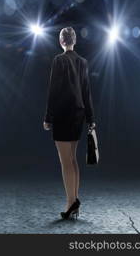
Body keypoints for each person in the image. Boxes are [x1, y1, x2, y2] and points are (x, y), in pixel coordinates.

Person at [43, 27, 95, 220]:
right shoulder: (83, 62)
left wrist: (48, 117)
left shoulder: (59, 60)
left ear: (61, 42)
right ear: (74, 41)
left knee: (66, 162)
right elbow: (87, 92)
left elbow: (53, 91)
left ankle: (70, 203)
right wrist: (91, 119)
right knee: (73, 159)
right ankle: (74, 201)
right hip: (79, 116)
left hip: (64, 115)